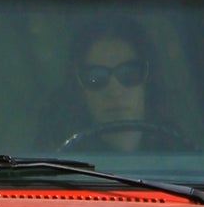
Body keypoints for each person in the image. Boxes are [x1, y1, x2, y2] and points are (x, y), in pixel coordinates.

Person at [62, 19, 178, 155]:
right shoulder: (58, 166)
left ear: (148, 82)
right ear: (80, 91)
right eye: (96, 77)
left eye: (129, 74)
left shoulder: (185, 158)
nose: (115, 91)